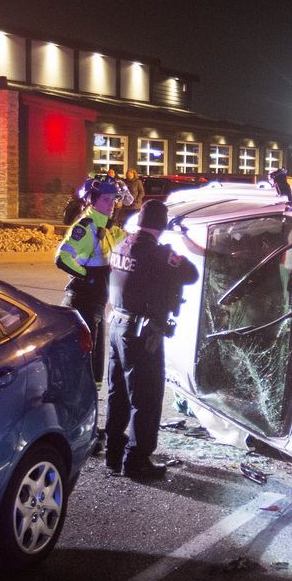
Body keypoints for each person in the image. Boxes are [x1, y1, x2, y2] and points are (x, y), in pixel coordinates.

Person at [104, 199, 198, 479]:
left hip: (117, 327)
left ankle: (113, 454)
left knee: (117, 393)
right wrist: (174, 254)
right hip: (141, 334)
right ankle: (137, 461)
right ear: (161, 227)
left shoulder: (121, 245)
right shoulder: (157, 255)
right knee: (146, 397)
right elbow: (191, 274)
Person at [56, 177, 128, 444]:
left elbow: (128, 241)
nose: (112, 205)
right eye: (107, 200)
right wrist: (86, 275)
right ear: (92, 201)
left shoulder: (108, 227)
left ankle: (88, 429)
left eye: (113, 200)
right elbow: (62, 257)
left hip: (97, 303)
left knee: (96, 370)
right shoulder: (85, 227)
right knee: (82, 368)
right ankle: (77, 431)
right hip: (82, 301)